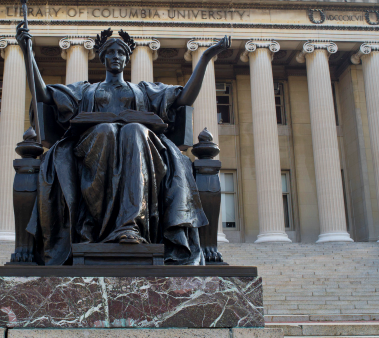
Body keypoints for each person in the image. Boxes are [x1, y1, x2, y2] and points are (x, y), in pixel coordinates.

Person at [17, 24, 230, 265]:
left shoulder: (143, 91)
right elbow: (44, 95)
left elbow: (183, 98)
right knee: (107, 131)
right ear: (103, 58)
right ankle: (94, 226)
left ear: (127, 59)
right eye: (110, 52)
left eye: (120, 53)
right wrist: (28, 53)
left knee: (134, 130)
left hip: (140, 147)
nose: (115, 57)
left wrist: (205, 58)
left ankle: (131, 226)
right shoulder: (86, 90)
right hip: (93, 145)